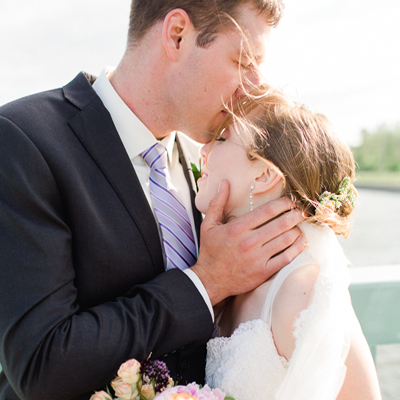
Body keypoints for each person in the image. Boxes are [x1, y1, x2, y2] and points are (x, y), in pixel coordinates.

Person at [0, 1, 306, 400]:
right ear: (177, 34)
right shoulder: (25, 141)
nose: (252, 87)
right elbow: (41, 366)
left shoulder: (211, 167)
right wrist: (205, 282)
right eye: (242, 60)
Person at [197, 87, 382, 399]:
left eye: (222, 139)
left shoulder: (302, 291)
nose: (203, 151)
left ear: (265, 174)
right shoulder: (235, 276)